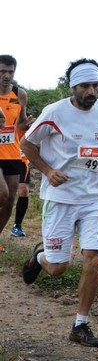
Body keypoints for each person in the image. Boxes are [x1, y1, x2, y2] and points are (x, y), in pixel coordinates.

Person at [21, 58, 98, 347]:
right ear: (73, 86)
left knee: (93, 257)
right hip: (60, 198)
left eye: (96, 85)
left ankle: (80, 324)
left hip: (95, 197)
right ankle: (41, 257)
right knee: (58, 267)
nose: (91, 91)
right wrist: (48, 171)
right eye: (85, 86)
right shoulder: (55, 112)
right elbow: (27, 144)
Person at [0, 54, 28, 251]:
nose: (7, 76)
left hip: (12, 152)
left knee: (10, 199)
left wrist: (29, 124)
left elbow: (22, 122)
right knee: (1, 194)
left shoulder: (20, 94)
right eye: (2, 71)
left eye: (10, 72)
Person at [11, 116, 36, 237]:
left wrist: (32, 125)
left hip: (22, 160)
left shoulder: (24, 119)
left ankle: (17, 225)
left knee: (24, 191)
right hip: (7, 158)